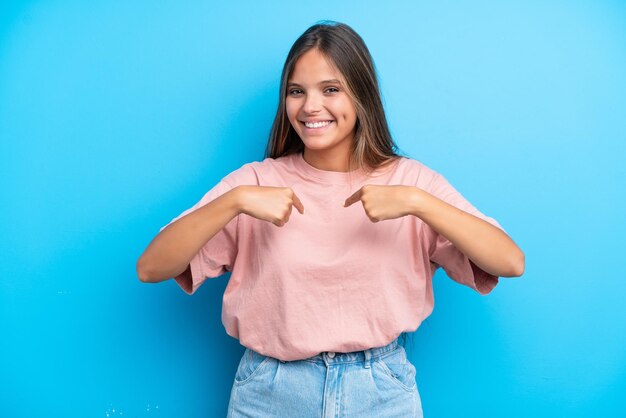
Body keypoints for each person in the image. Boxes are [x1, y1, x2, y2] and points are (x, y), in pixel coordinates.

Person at [136, 20, 524, 418]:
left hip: (381, 393)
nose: (310, 107)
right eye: (296, 91)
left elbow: (509, 262)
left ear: (361, 95)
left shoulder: (411, 183)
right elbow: (151, 267)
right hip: (269, 394)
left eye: (331, 89)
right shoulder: (254, 184)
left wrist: (417, 203)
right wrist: (233, 202)